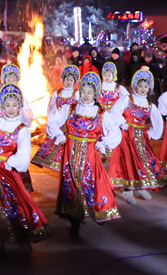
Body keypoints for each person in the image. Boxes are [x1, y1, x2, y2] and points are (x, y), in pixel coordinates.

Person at [0, 84, 52, 254]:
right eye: (8, 105)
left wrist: (13, 161)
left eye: (14, 105)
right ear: (2, 106)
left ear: (19, 106)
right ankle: (0, 240)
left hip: (8, 173)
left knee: (15, 204)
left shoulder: (22, 130)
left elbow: (23, 154)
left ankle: (22, 237)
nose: (11, 109)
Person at [45, 72, 122, 236]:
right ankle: (75, 221)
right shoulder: (70, 109)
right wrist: (59, 135)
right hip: (70, 156)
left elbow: (115, 132)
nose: (86, 95)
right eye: (84, 91)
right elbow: (52, 120)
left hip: (90, 157)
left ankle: (97, 211)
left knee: (91, 184)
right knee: (71, 185)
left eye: (90, 92)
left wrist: (104, 144)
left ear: (95, 94)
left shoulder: (101, 114)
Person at [109, 70, 167, 204]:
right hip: (126, 137)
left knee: (141, 162)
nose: (142, 89)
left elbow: (157, 121)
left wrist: (152, 134)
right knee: (127, 162)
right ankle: (128, 190)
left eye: (145, 87)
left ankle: (140, 186)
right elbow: (115, 111)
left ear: (149, 89)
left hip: (141, 138)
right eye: (140, 86)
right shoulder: (127, 99)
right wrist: (123, 123)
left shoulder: (149, 105)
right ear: (135, 86)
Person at [31, 65, 80, 170]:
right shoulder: (57, 93)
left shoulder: (77, 93)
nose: (69, 82)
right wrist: (52, 119)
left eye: (71, 80)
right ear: (63, 80)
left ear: (75, 81)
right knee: (56, 144)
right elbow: (51, 107)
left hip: (72, 123)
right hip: (59, 122)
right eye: (67, 79)